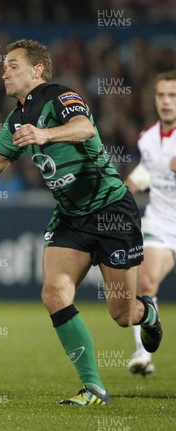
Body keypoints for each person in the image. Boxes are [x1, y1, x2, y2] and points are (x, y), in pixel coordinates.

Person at [0, 39, 162, 406]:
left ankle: (147, 312)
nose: (4, 72)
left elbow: (84, 128)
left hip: (110, 210)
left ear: (38, 71)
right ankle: (93, 388)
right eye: (3, 66)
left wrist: (45, 134)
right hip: (69, 217)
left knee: (122, 315)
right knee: (53, 294)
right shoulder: (16, 118)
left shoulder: (60, 97)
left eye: (13, 65)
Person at [124, 70, 176, 376]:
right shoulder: (148, 138)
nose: (166, 101)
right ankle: (143, 354)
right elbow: (148, 172)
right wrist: (126, 187)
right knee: (144, 283)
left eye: (172, 95)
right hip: (161, 221)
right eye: (161, 95)